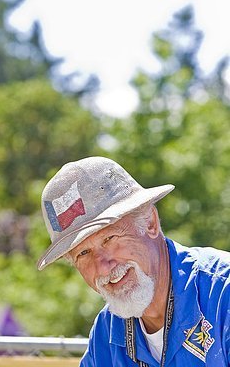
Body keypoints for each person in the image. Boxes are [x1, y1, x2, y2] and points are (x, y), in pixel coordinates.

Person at [37, 156, 230, 366]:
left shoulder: (222, 293)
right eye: (83, 253)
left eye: (109, 239)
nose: (103, 266)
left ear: (150, 223)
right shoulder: (106, 332)